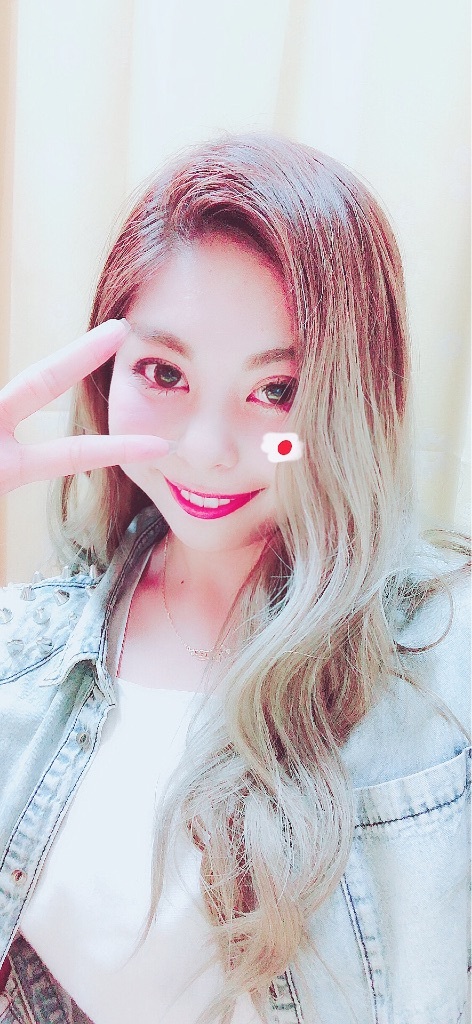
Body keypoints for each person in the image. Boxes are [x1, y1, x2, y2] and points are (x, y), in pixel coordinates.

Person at [0, 134, 469, 1024]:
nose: (208, 449)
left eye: (278, 391)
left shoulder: (442, 645)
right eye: (164, 373)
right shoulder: (24, 653)